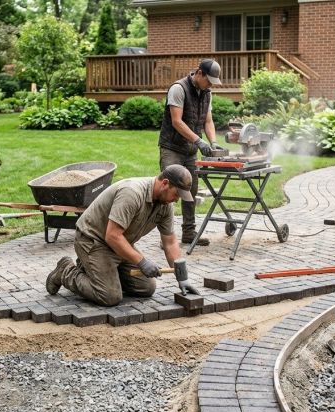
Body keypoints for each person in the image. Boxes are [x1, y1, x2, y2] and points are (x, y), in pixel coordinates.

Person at [45, 165, 198, 306]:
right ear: (165, 183)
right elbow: (112, 236)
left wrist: (182, 278)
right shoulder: (132, 193)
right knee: (109, 296)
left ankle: (98, 271)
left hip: (120, 244)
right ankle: (65, 270)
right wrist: (142, 262)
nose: (177, 200)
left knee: (146, 288)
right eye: (176, 194)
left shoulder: (165, 205)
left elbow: (170, 243)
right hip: (93, 240)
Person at [158, 58, 225, 246]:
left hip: (190, 151)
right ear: (199, 73)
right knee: (168, 191)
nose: (210, 85)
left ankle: (189, 233)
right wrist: (198, 140)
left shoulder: (207, 93)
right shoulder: (178, 88)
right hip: (172, 148)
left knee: (190, 190)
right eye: (209, 81)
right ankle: (166, 237)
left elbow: (208, 121)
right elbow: (177, 121)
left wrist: (213, 142)